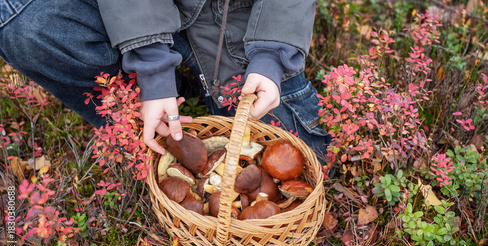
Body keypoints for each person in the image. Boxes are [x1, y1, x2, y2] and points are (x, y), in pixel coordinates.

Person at [0, 0, 330, 161]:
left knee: (310, 158)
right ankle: (166, 101)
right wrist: (152, 69)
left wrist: (271, 54)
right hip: (130, 13)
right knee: (22, 22)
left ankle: (191, 97)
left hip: (238, 20)